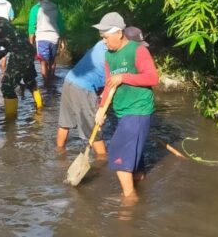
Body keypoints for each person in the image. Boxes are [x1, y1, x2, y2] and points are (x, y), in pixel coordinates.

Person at [93, 12, 158, 201]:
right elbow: (108, 84)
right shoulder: (108, 56)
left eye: (105, 37)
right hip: (122, 111)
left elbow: (153, 78)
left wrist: (124, 77)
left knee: (117, 150)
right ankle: (139, 186)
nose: (104, 42)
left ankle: (129, 199)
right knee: (136, 161)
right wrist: (101, 108)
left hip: (138, 108)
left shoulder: (137, 50)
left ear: (119, 33)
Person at [56, 39, 108, 156]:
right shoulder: (115, 54)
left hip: (70, 79)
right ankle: (102, 160)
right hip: (84, 87)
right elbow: (110, 85)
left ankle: (60, 153)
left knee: (65, 122)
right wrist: (102, 107)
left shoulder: (101, 43)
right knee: (94, 130)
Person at [28, 0, 64, 85]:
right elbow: (60, 24)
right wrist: (63, 39)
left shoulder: (35, 8)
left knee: (43, 62)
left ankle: (46, 85)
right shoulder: (55, 7)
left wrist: (31, 42)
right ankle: (52, 81)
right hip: (54, 37)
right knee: (52, 60)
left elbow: (32, 27)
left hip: (42, 38)